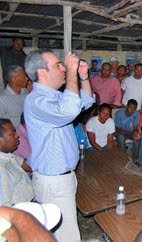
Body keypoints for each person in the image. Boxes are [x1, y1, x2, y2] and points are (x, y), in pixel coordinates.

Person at [24, 50, 94, 241]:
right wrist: (71, 71)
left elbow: (86, 101)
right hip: (53, 182)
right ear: (42, 72)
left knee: (64, 234)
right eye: (58, 65)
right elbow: (71, 109)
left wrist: (83, 77)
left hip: (61, 179)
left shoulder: (54, 97)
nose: (63, 68)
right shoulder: (37, 101)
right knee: (67, 237)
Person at [0, 118, 33, 206]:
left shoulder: (9, 156)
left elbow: (29, 166)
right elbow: (4, 206)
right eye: (12, 133)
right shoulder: (1, 169)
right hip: (20, 212)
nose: (17, 135)